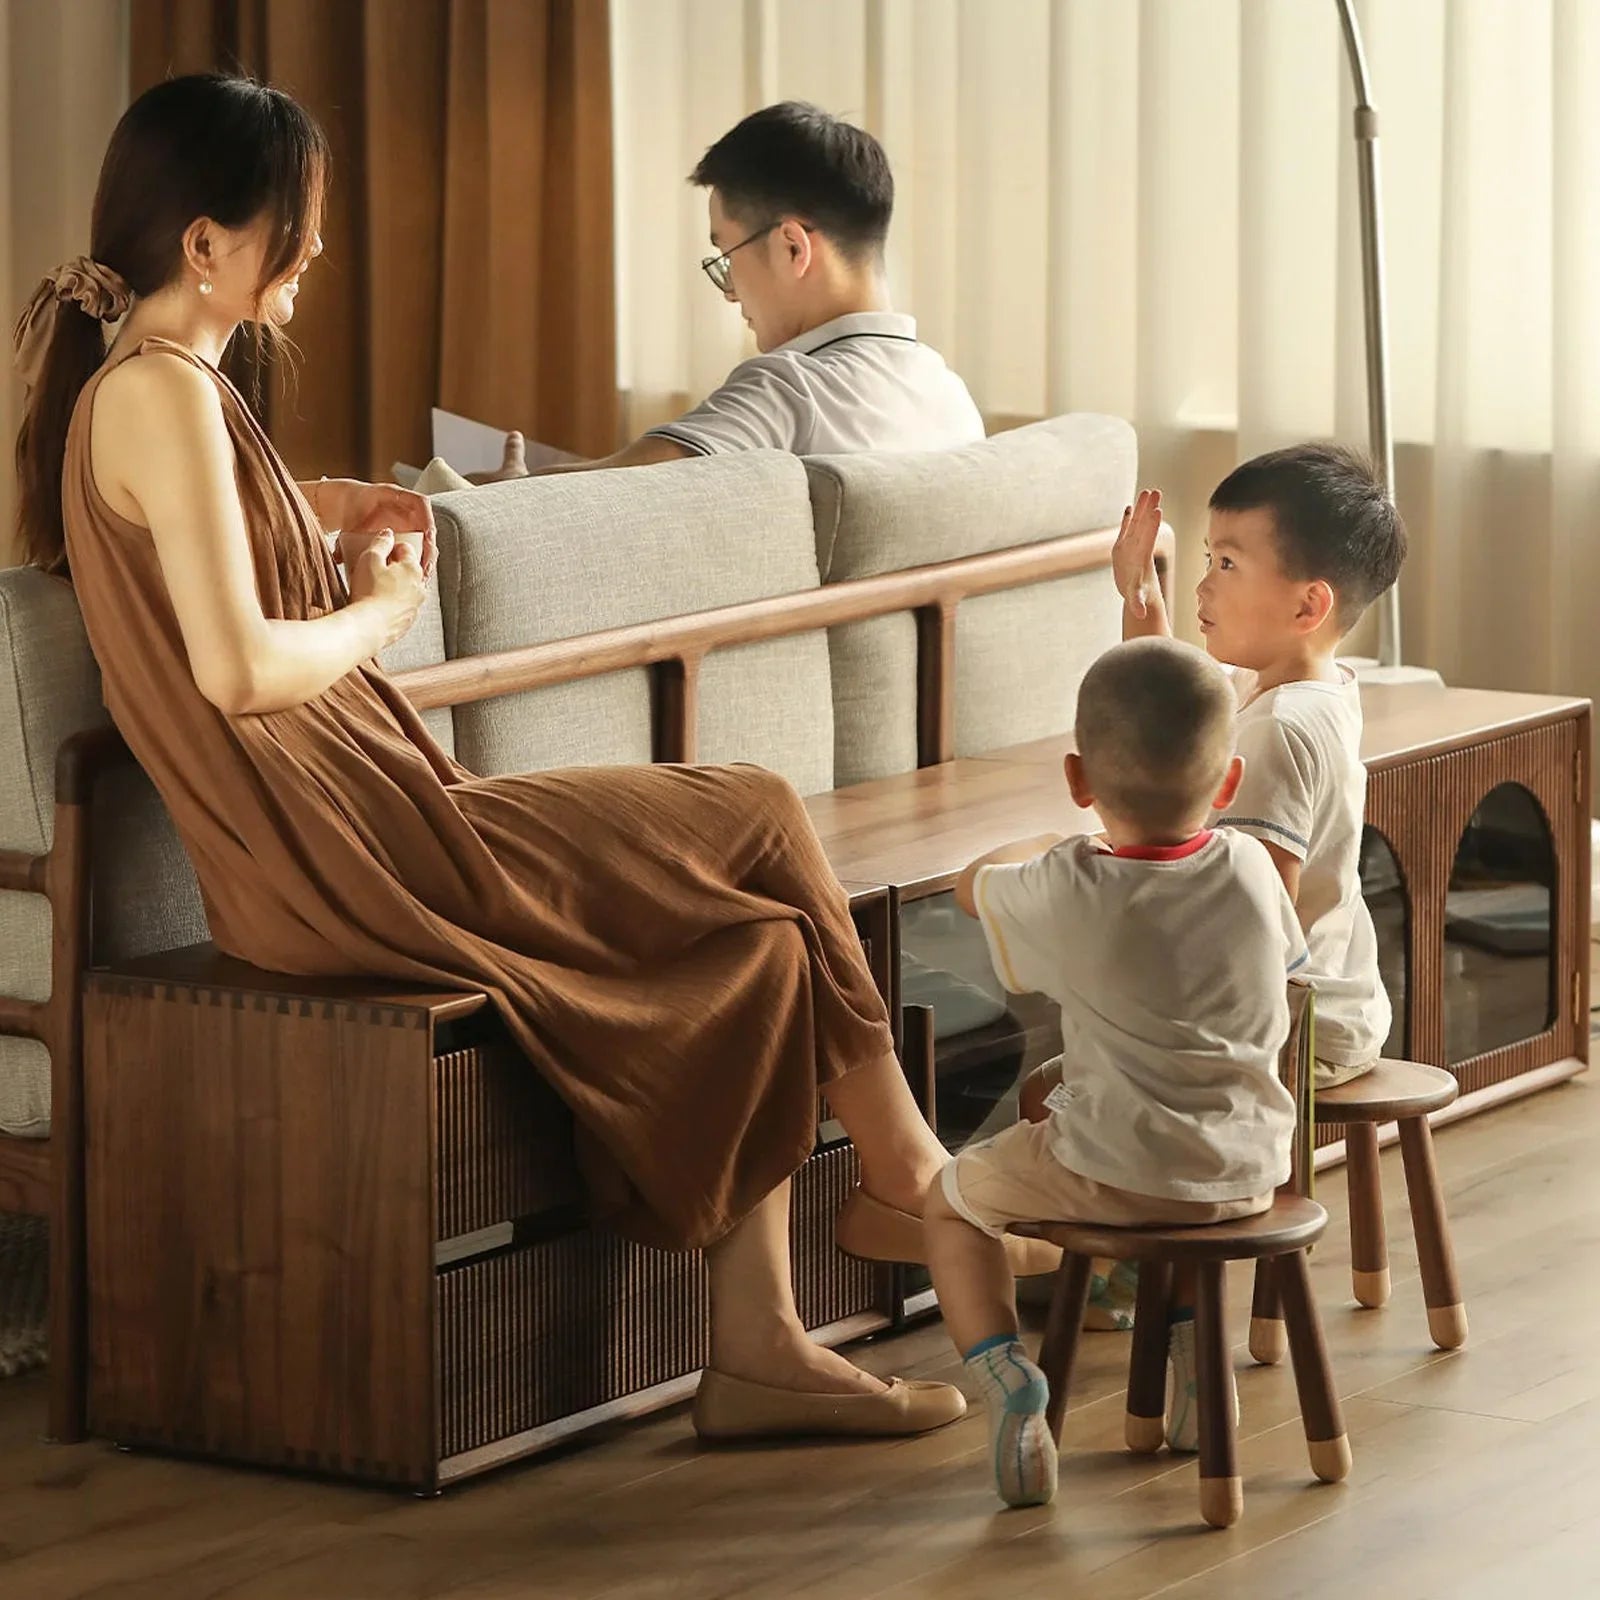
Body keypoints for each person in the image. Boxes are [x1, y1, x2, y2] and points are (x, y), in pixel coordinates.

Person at [14, 72, 1047, 1444]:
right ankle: (914, 1171)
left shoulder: (181, 391)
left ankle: (757, 1352)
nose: (317, 254)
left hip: (367, 816)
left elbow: (198, 559)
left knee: (759, 947)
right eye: (296, 229)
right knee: (745, 805)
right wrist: (382, 612)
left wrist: (321, 516)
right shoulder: (160, 397)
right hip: (340, 851)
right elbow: (239, 670)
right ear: (205, 243)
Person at [925, 638, 1307, 1507]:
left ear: (1077, 777)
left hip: (1121, 1172)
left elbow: (968, 882)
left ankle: (1006, 1375)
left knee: (951, 1200)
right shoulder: (1251, 866)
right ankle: (1192, 1377)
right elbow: (1284, 971)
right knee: (1101, 1115)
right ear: (1229, 781)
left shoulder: (1066, 882)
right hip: (1248, 1170)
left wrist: (1048, 837)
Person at [1106, 448, 1407, 1447]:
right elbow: (1189, 708)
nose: (1200, 582)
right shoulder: (1312, 690)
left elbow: (1245, 919)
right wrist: (1142, 611)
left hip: (1296, 1021)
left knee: (1101, 1069)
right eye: (1202, 555)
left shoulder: (1276, 734)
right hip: (1341, 995)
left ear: (1307, 602)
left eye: (1228, 563)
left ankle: (1165, 1301)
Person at [479, 100, 983, 480]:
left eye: (726, 256)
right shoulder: (951, 397)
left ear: (792, 248)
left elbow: (607, 493)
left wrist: (505, 490)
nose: (729, 292)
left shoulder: (788, 391)